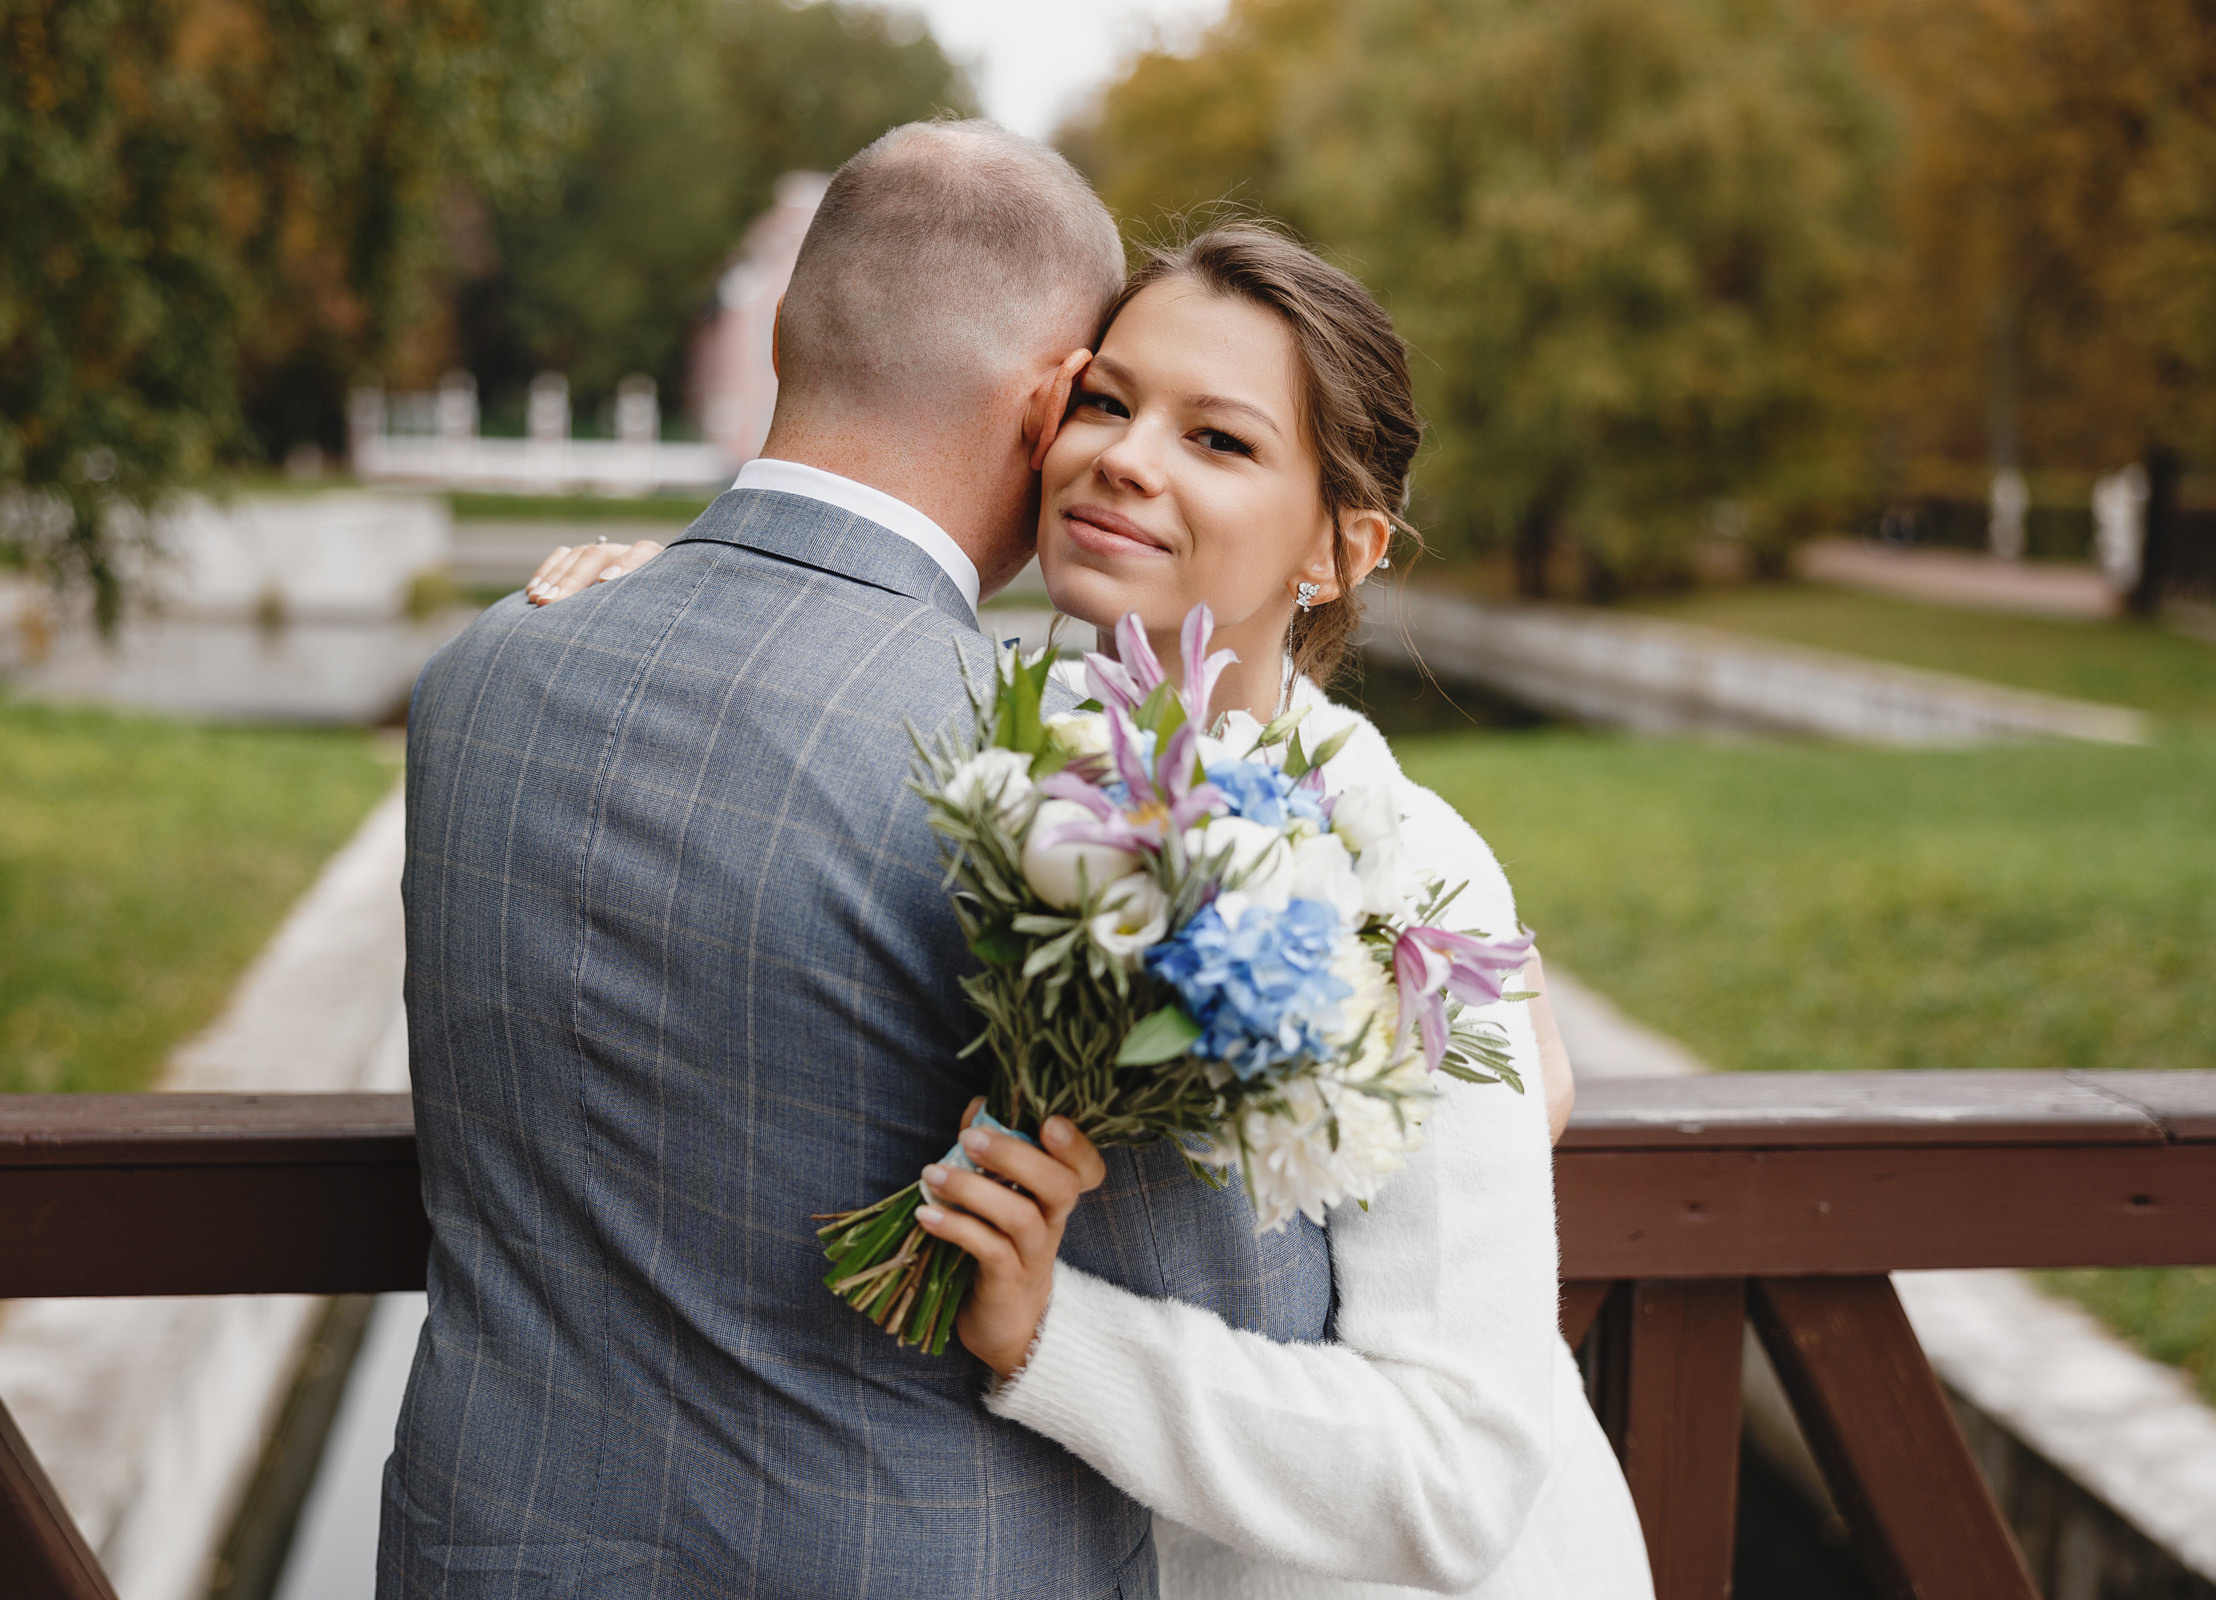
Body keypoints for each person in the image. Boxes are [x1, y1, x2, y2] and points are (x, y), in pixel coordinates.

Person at [526, 224, 1648, 1600]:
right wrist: (701, 602)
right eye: (1106, 402)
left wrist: (1055, 1333)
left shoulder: (1414, 885)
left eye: (1220, 441)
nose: (1124, 456)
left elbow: (1459, 1477)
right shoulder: (991, 745)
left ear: (1342, 549)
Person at [385, 123, 1343, 1600]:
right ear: (1046, 408)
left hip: (482, 1548)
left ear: (784, 333)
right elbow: (1251, 1321)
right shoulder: (1054, 784)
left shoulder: (484, 676)